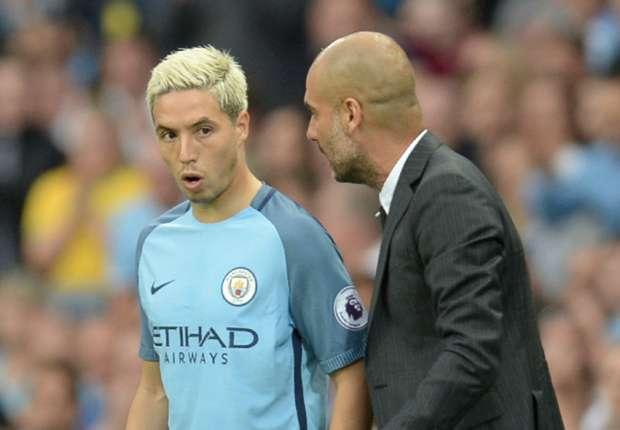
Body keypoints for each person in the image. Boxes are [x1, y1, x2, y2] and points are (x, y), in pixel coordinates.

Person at [304, 31, 564, 429]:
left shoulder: (446, 192)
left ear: (351, 114)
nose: (311, 131)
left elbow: (472, 350)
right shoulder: (418, 191)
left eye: (315, 113)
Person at [126, 46, 372, 430]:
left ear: (241, 125)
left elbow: (353, 375)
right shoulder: (154, 243)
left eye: (203, 130)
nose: (185, 152)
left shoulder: (293, 236)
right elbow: (154, 391)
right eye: (168, 135)